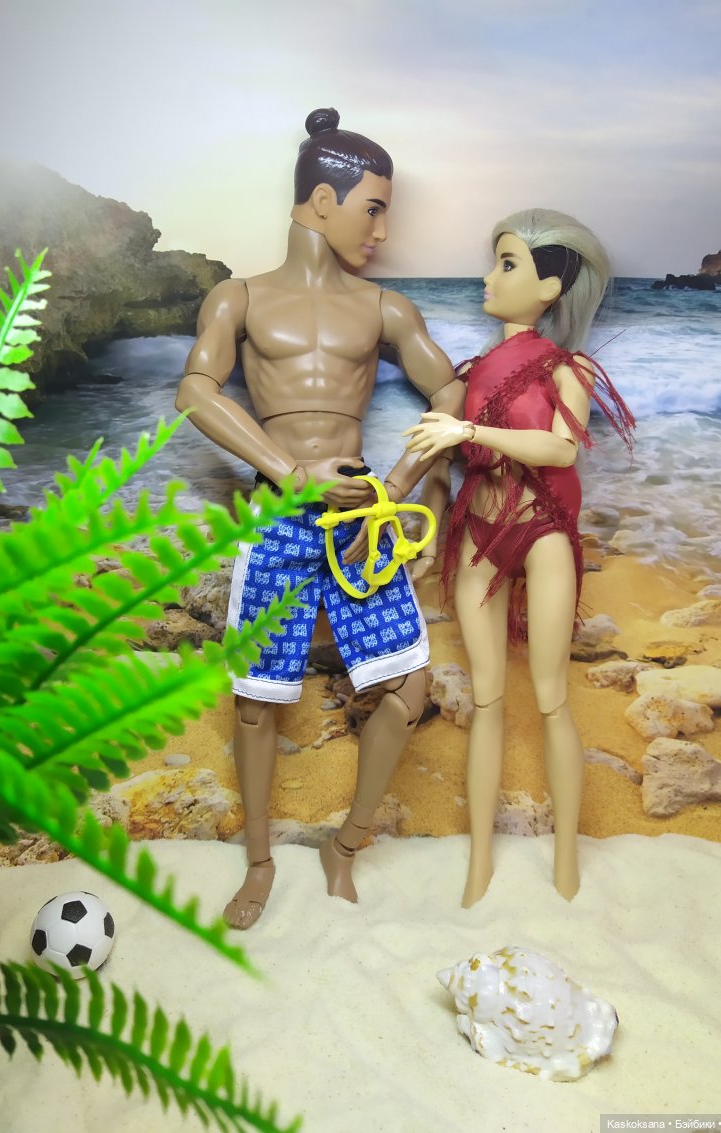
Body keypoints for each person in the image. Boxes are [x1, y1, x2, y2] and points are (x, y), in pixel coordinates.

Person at [176, 108, 463, 929]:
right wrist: (291, 472)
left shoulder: (384, 307)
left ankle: (348, 843)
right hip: (279, 517)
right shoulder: (239, 297)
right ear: (323, 201)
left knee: (406, 685)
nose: (383, 230)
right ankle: (259, 862)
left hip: (360, 521)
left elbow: (452, 391)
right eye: (373, 208)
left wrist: (403, 480)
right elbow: (194, 389)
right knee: (257, 697)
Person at [404, 208, 633, 906]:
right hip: (478, 527)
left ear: (551, 287)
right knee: (488, 698)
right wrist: (422, 529)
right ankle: (479, 859)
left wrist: (470, 431)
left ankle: (566, 855)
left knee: (552, 698)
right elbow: (438, 456)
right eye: (495, 260)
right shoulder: (473, 372)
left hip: (544, 528)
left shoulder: (568, 368)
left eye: (507, 263)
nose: (488, 276)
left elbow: (561, 449)